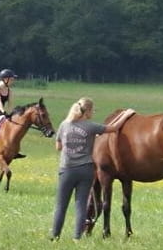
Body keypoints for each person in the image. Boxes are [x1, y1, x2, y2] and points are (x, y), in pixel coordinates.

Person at [50, 97, 128, 240]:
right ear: (88, 111)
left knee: (61, 206)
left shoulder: (64, 125)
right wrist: (126, 114)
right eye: (92, 110)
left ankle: (55, 236)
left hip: (66, 169)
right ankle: (77, 238)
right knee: (80, 205)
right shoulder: (91, 126)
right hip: (85, 170)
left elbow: (58, 147)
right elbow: (114, 128)